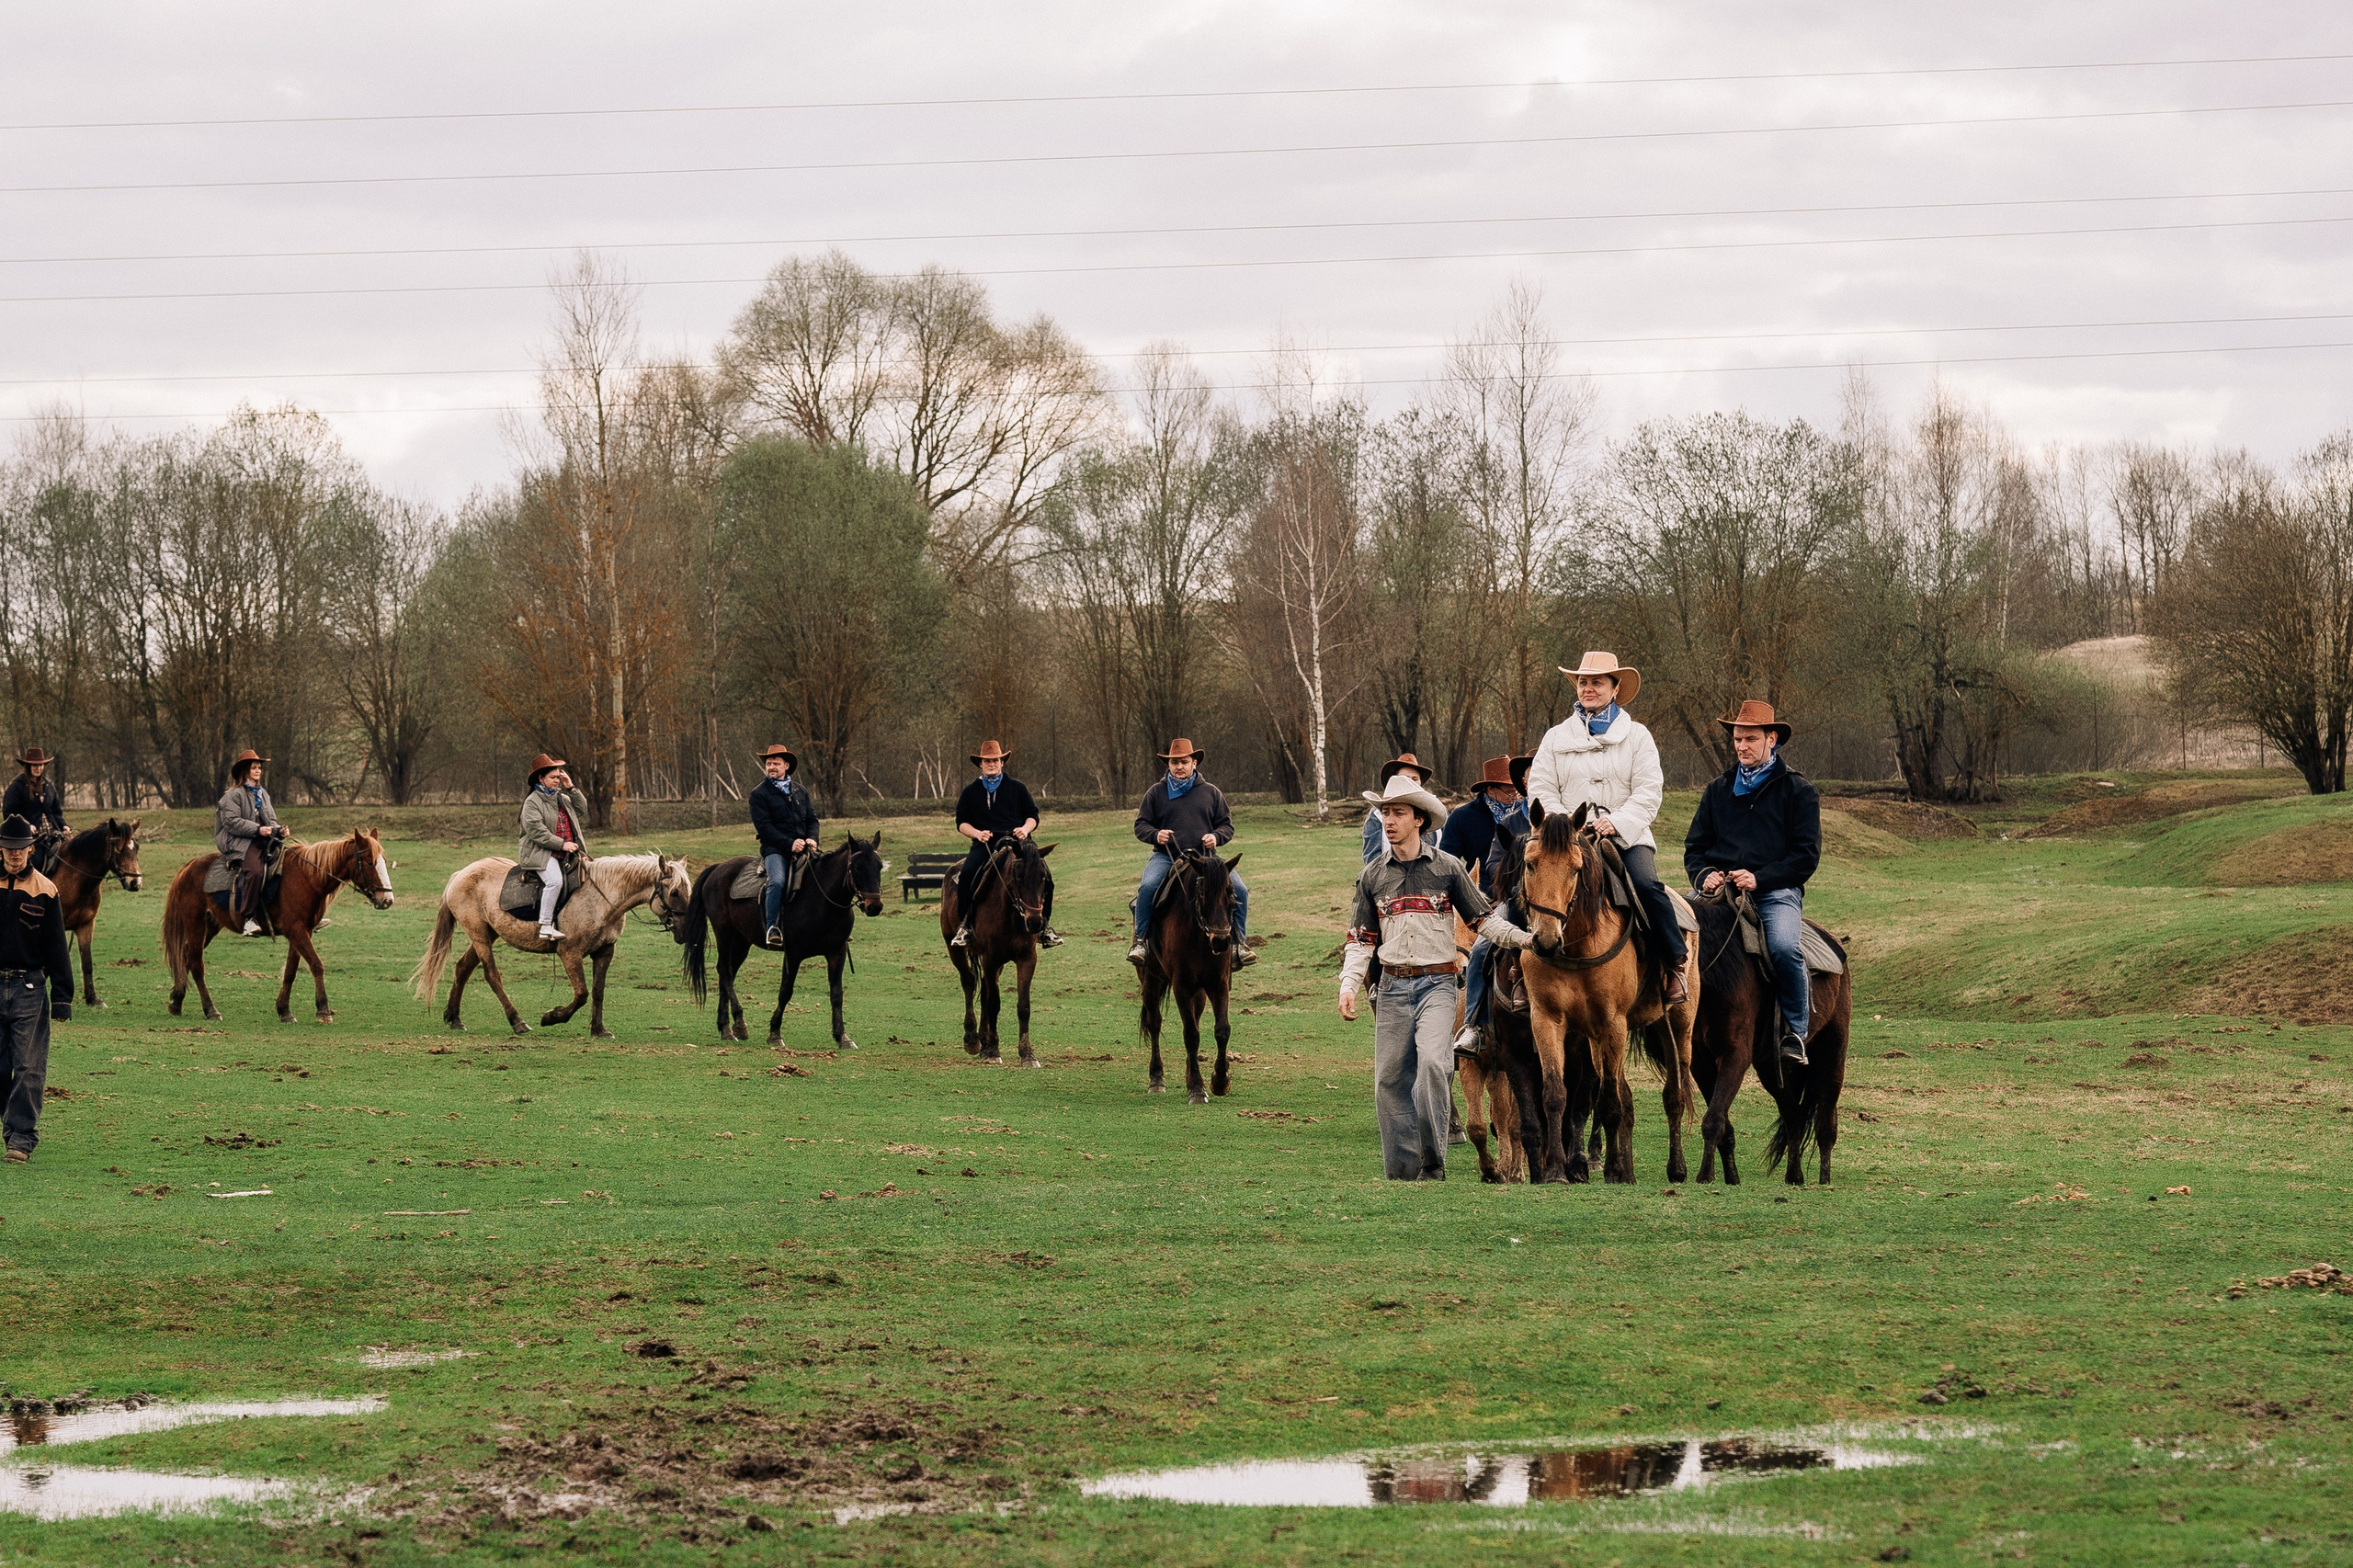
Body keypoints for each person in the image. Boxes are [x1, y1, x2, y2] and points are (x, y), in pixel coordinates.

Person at [1340, 773, 1533, 1180]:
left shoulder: (1448, 869)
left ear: (1419, 821)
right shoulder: (1373, 876)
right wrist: (1349, 985)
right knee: (1389, 1080)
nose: (1388, 821)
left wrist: (1526, 940)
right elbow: (1360, 939)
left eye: (1397, 813)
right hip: (1391, 987)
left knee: (1433, 1064)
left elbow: (1483, 920)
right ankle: (1402, 1171)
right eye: (1385, 813)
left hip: (1438, 985)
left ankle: (1432, 1161)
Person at [1524, 650, 1689, 1006]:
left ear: (1615, 688)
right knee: (1520, 886)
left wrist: (1616, 822)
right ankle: (1514, 970)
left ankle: (1674, 963)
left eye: (1597, 682)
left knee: (1647, 885)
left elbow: (1648, 791)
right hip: (1565, 838)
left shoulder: (1638, 737)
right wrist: (1564, 826)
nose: (1588, 688)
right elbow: (1539, 788)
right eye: (1583, 682)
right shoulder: (1555, 737)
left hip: (1625, 835)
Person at [1684, 700, 1823, 1063]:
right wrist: (1704, 875)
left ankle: (1795, 1033)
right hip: (1717, 892)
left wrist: (1760, 878)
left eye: (1750, 739)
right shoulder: (1718, 789)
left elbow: (1805, 856)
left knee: (1783, 948)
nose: (1742, 746)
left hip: (1775, 892)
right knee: (1674, 932)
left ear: (1771, 739)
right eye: (1737, 739)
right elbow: (1695, 847)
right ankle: (1672, 1019)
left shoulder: (1798, 791)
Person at [1131, 737, 1253, 968]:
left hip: (1207, 861)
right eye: (1174, 762)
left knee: (1240, 890)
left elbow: (1227, 825)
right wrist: (1156, 835)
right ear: (1168, 765)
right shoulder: (1156, 793)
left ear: (1194, 763)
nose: (1179, 767)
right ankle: (1140, 942)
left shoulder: (1211, 793)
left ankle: (1239, 943)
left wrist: (1216, 837)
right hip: (1166, 857)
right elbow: (1141, 826)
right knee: (1147, 887)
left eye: (1184, 762)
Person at [1442, 756, 1532, 1053]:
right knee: (1480, 949)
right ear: (1491, 789)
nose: (1513, 794)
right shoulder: (1507, 822)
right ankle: (1474, 1025)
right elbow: (1456, 863)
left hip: (1551, 900)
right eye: (1509, 789)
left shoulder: (1561, 817)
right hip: (1492, 896)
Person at [0, 812, 73, 1165]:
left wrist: (62, 996)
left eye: (21, 849)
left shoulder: (46, 889)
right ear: (1, 849)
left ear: (30, 849)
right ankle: (9, 1125)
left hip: (29, 988)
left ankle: (21, 1138)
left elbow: (57, 946)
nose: (15, 855)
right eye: (9, 848)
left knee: (29, 1068)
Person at [949, 741, 1061, 950]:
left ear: (1002, 762)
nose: (991, 764)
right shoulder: (970, 792)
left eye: (995, 760)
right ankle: (965, 926)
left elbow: (1032, 816)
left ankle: (1044, 927)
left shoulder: (1018, 788)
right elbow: (961, 823)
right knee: (967, 876)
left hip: (1018, 843)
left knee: (1047, 878)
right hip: (985, 844)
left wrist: (1026, 830)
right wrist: (977, 833)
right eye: (987, 761)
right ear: (980, 764)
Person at [748, 743, 821, 949]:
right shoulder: (759, 794)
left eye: (776, 763)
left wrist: (812, 838)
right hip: (775, 850)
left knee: (825, 877)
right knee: (778, 882)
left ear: (786, 766)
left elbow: (812, 820)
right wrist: (790, 843)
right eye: (769, 763)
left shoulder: (801, 791)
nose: (771, 767)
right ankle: (773, 927)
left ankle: (828, 927)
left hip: (805, 848)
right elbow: (764, 828)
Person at [214, 749, 287, 937]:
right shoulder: (232, 796)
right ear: (246, 771)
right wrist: (257, 829)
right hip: (240, 841)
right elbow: (231, 822)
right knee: (255, 871)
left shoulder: (263, 794)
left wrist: (280, 830)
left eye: (260, 768)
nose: (258, 771)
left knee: (292, 864)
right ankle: (248, 919)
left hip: (264, 840)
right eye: (254, 768)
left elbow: (271, 820)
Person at [517, 754, 588, 943]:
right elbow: (537, 832)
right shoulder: (532, 802)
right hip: (540, 853)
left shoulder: (562, 798)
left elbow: (581, 809)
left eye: (558, 777)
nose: (556, 781)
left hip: (565, 853)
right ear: (541, 778)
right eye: (553, 777)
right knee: (555, 881)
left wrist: (570, 786)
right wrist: (562, 844)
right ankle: (546, 926)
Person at [1361, 752, 1433, 863]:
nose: (1410, 783)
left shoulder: (1433, 812)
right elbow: (1372, 861)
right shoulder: (1376, 817)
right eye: (1405, 778)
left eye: (1414, 779)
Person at [4, 748, 66, 875]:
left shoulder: (49, 785)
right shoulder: (17, 786)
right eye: (35, 765)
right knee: (35, 863)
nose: (38, 768)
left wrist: (64, 826)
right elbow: (8, 812)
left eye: (40, 765)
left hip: (53, 834)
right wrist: (26, 825)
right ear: (28, 766)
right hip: (30, 839)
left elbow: (56, 812)